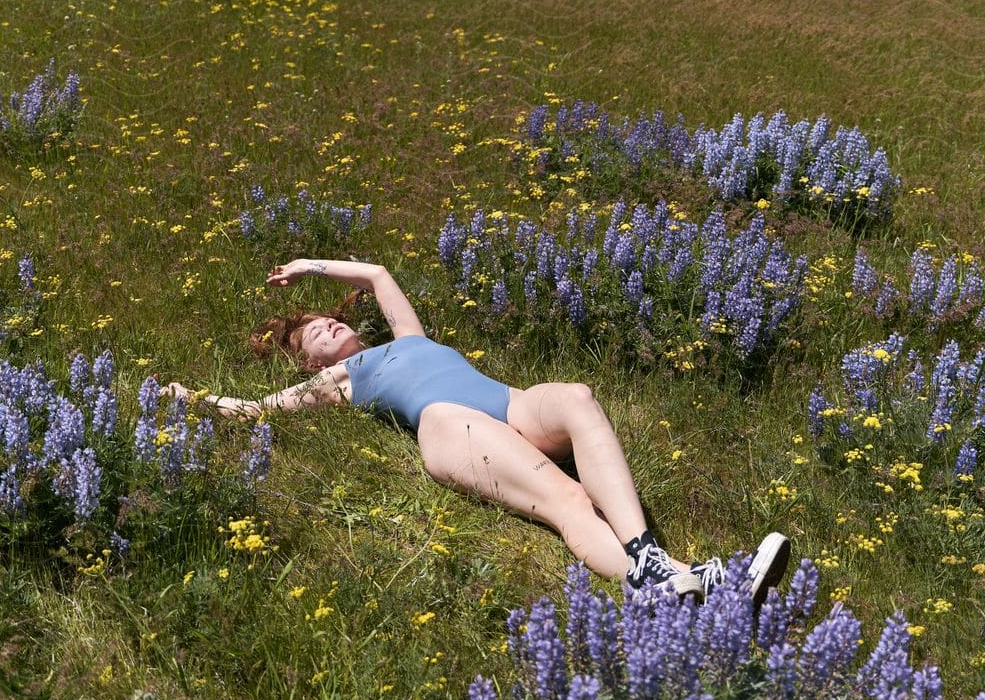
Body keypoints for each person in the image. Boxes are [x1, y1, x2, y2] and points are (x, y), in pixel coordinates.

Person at [163, 256, 791, 605]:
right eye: (313, 338)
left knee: (576, 397)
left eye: (327, 321)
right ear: (312, 363)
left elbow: (379, 275)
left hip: (509, 405)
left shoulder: (408, 336)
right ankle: (658, 581)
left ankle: (656, 562)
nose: (327, 328)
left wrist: (309, 267)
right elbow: (251, 411)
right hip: (449, 426)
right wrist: (185, 397)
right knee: (568, 500)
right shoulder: (338, 381)